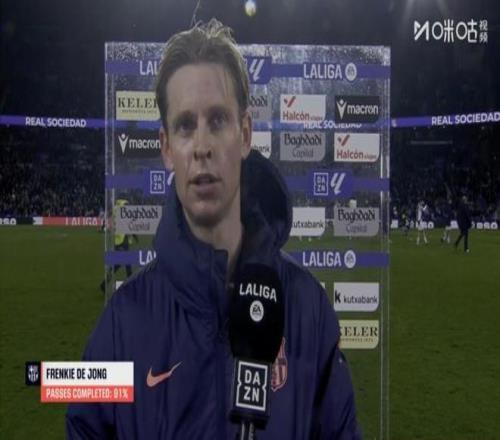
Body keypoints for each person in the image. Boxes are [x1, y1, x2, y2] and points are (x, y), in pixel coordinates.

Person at [67, 19, 361, 439]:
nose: (202, 146)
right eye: (186, 125)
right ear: (166, 148)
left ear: (245, 134)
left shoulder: (307, 309)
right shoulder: (121, 322)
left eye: (218, 120)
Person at [99, 198, 136, 293]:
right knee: (123, 264)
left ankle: (105, 284)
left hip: (118, 239)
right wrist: (134, 234)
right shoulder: (124, 206)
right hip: (122, 240)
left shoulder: (116, 207)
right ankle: (105, 284)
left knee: (124, 263)